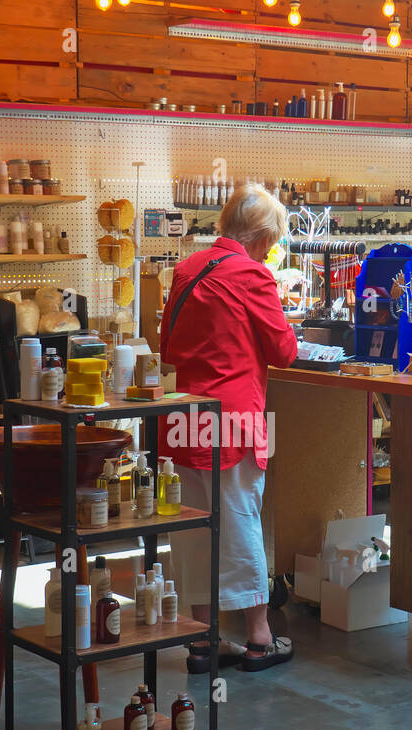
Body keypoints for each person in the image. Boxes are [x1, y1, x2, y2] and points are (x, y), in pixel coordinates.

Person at [159, 183, 297, 673]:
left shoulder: (185, 269)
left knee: (192, 525)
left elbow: (168, 349)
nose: (270, 251)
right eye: (271, 241)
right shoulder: (253, 276)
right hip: (234, 420)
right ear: (259, 236)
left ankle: (201, 641)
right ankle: (259, 638)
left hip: (184, 416)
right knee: (239, 519)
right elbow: (284, 352)